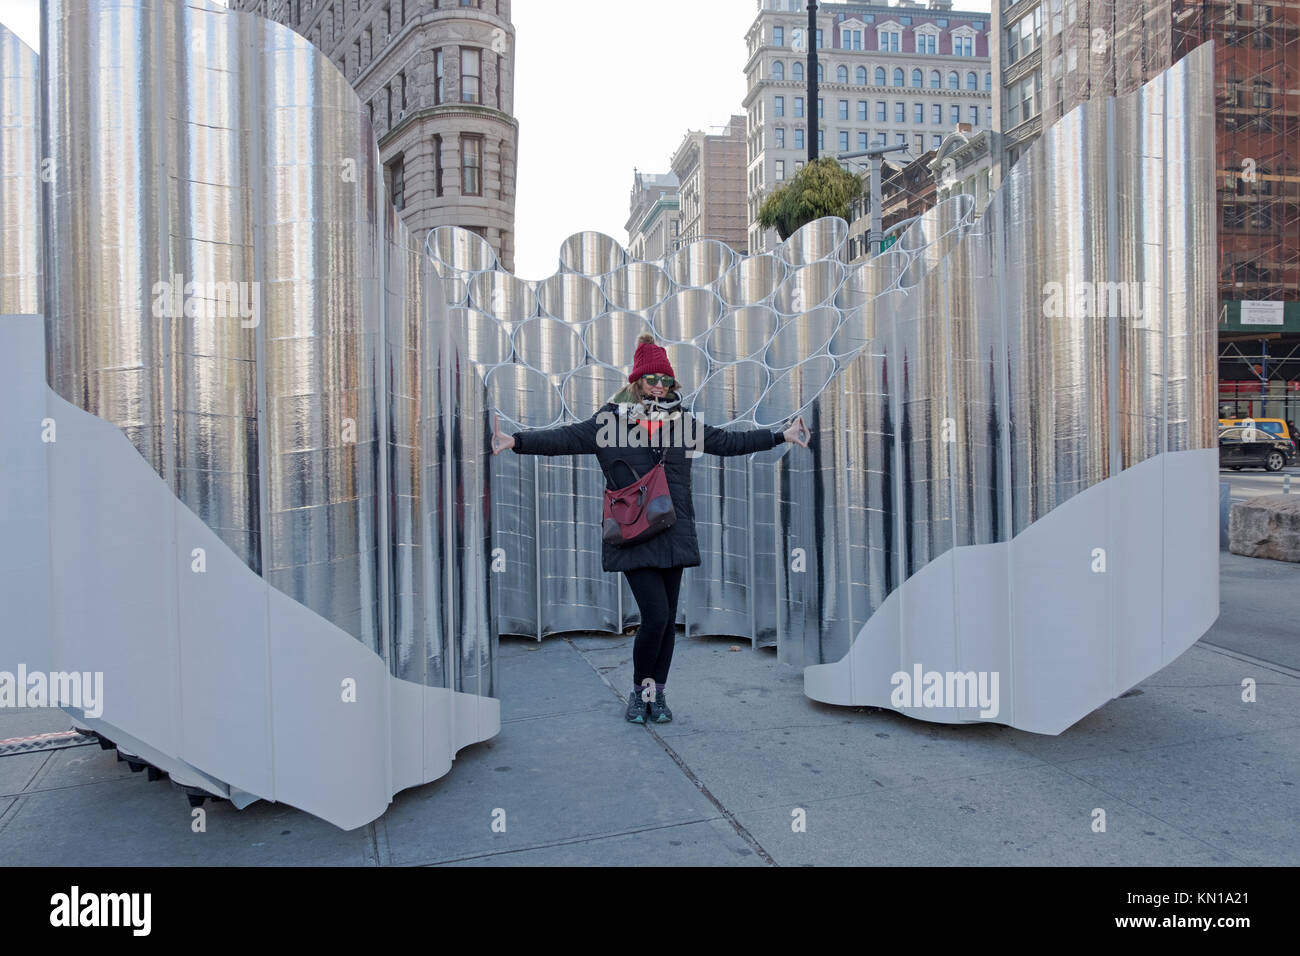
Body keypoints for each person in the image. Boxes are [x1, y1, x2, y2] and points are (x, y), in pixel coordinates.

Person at [491, 333, 809, 724]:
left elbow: (728, 442)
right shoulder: (610, 421)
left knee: (668, 622)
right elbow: (565, 437)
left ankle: (656, 695)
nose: (659, 385)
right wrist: (516, 441)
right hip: (633, 533)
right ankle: (638, 690)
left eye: (666, 380)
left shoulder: (681, 423)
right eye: (652, 378)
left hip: (673, 530)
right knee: (656, 618)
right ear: (637, 381)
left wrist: (780, 435)